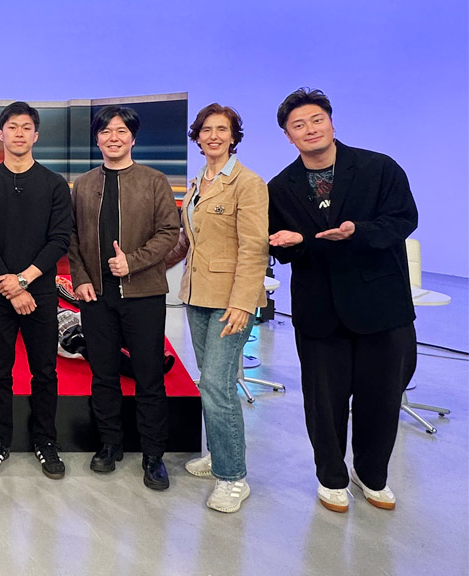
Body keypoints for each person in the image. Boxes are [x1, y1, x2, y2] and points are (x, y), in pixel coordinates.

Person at [268, 88, 417, 513]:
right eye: (298, 125)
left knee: (381, 399)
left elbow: (403, 219)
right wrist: (291, 243)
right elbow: (281, 245)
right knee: (324, 402)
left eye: (316, 120)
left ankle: (372, 475)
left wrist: (358, 232)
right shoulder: (280, 186)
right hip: (319, 309)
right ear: (288, 136)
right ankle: (331, 477)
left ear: (331, 123)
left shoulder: (378, 168)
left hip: (379, 305)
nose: (310, 129)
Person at [67, 105, 179, 490]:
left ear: (133, 138)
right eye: (105, 131)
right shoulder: (83, 185)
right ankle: (109, 444)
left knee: (149, 377)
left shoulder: (154, 181)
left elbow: (169, 232)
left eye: (121, 131)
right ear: (97, 139)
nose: (113, 137)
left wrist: (132, 261)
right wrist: (81, 278)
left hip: (144, 294)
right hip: (96, 297)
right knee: (103, 375)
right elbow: (71, 237)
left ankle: (153, 455)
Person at [165, 104, 269, 511]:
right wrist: (146, 265)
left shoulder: (248, 183)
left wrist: (243, 304)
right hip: (197, 296)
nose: (213, 136)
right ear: (197, 136)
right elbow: (186, 242)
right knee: (209, 381)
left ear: (233, 136)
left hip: (230, 303)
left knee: (217, 386)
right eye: (206, 129)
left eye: (221, 129)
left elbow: (254, 248)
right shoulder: (198, 184)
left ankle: (233, 477)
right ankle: (219, 455)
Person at [0, 101, 72, 479]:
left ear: (36, 135)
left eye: (26, 127)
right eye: (12, 127)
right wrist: (11, 287)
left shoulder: (54, 184)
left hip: (41, 293)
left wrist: (25, 280)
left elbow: (59, 240)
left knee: (44, 371)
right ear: (1, 134)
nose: (19, 133)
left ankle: (45, 441)